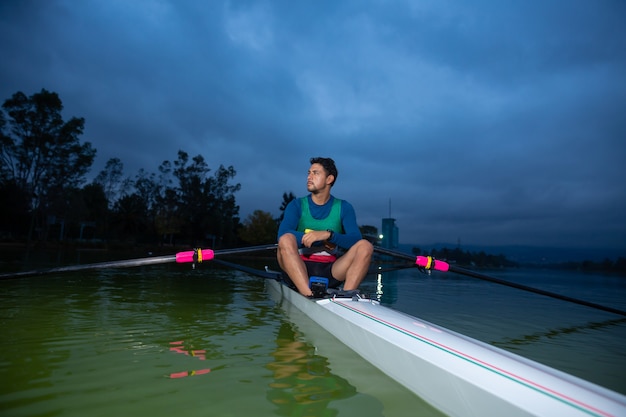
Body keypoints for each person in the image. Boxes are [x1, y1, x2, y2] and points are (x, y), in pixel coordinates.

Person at [277, 157, 373, 296]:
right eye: (309, 173)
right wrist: (317, 238)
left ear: (329, 179)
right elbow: (282, 234)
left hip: (331, 271)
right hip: (299, 267)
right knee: (286, 239)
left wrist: (329, 235)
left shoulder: (344, 207)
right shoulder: (296, 205)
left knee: (365, 246)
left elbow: (355, 239)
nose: (309, 177)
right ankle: (308, 294)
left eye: (315, 173)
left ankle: (346, 296)